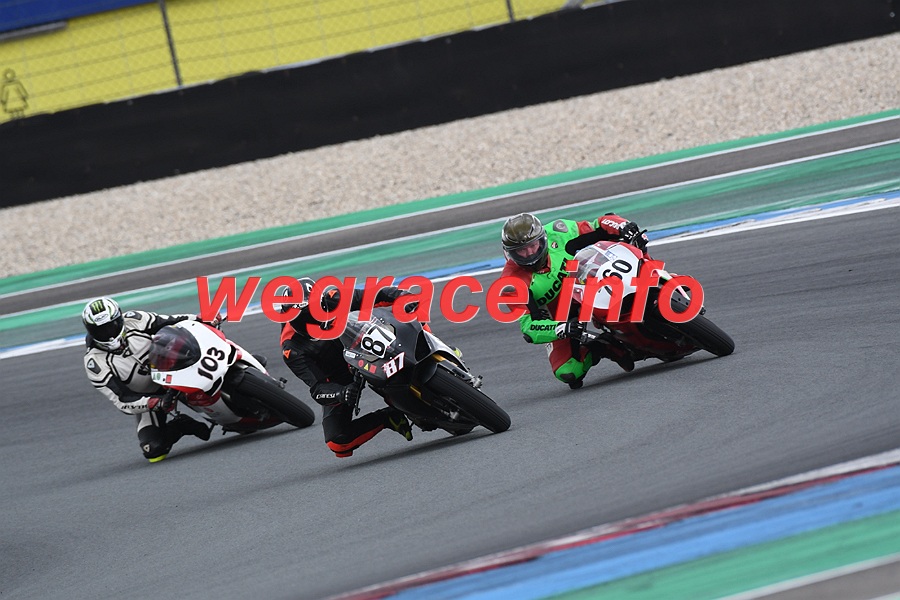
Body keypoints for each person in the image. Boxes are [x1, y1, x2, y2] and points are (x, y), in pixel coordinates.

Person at [499, 212, 650, 389]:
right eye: (521, 251)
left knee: (631, 240)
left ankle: (654, 278)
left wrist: (622, 225)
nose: (529, 254)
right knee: (568, 371)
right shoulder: (510, 284)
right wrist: (560, 329)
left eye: (533, 246)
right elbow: (528, 327)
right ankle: (601, 347)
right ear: (510, 253)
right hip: (559, 314)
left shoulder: (558, 232)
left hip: (586, 281)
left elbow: (598, 224)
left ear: (543, 239)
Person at [275, 277, 415, 458]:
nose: (309, 321)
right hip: (339, 373)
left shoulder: (333, 296)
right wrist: (341, 393)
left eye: (313, 312)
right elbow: (318, 388)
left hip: (366, 342)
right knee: (337, 440)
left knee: (410, 313)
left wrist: (401, 295)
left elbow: (376, 294)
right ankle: (388, 417)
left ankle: (437, 351)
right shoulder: (291, 349)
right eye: (299, 319)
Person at [82, 297, 214, 463]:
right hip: (151, 395)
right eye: (100, 330)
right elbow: (122, 399)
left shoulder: (135, 320)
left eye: (111, 326)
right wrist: (155, 402)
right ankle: (181, 425)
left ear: (120, 319)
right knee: (152, 449)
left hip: (177, 370)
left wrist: (198, 319)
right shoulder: (94, 363)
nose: (108, 333)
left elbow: (171, 321)